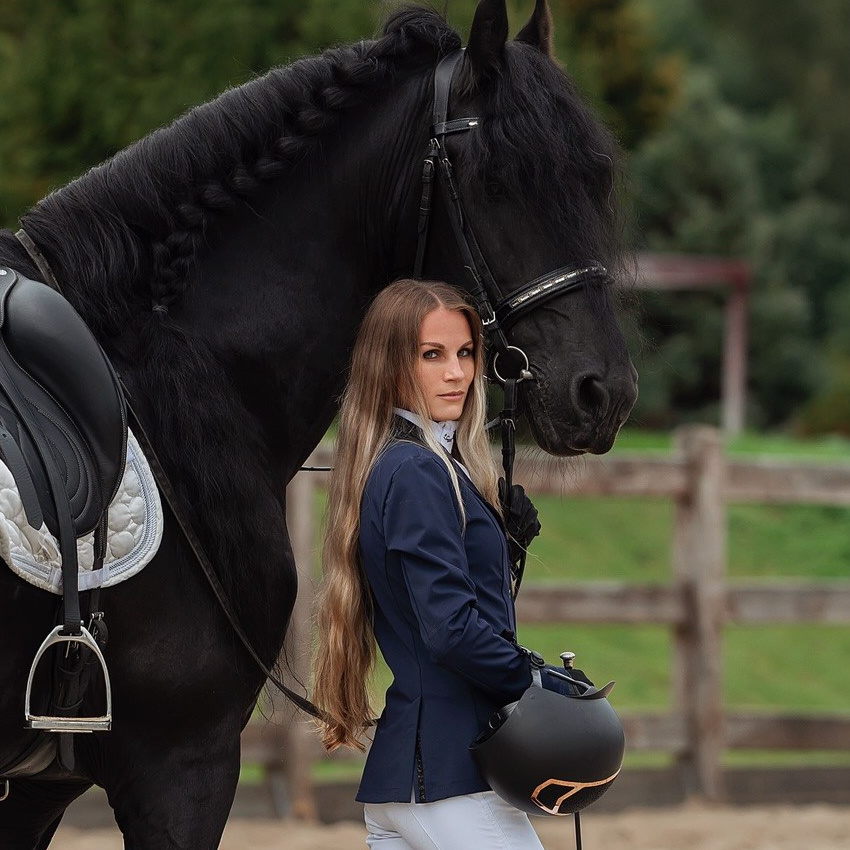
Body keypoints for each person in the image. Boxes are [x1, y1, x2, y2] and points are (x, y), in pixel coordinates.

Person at [313, 279, 575, 849]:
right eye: (432, 355)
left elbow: (443, 608)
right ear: (389, 365)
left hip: (407, 787)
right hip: (453, 782)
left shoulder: (406, 465)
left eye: (465, 353)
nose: (456, 373)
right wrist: (536, 681)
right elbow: (450, 631)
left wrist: (504, 550)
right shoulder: (417, 473)